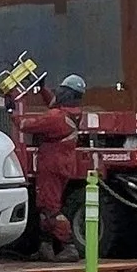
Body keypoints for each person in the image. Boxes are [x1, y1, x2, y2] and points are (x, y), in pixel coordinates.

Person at [12, 71, 89, 250]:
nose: (59, 93)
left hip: (51, 165)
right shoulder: (73, 114)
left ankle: (68, 246)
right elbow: (55, 105)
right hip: (62, 164)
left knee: (49, 208)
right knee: (48, 206)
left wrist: (11, 110)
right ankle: (46, 248)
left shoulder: (56, 118)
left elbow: (25, 125)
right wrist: (42, 89)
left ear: (67, 93)